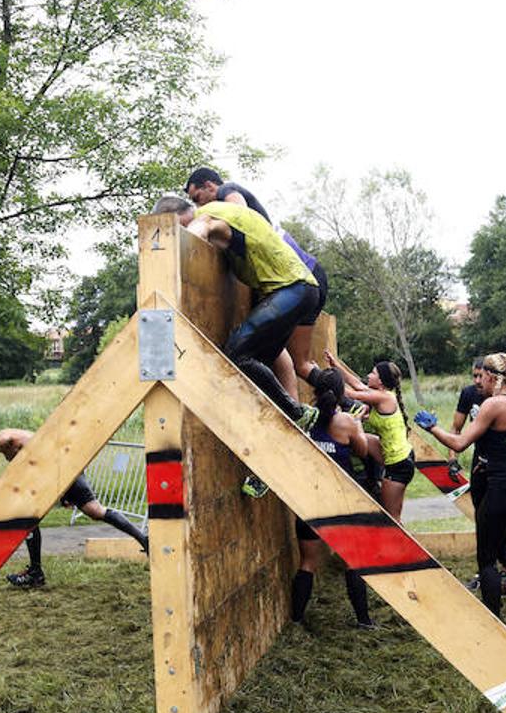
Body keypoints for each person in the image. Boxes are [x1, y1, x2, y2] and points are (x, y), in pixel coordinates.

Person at [152, 196, 318, 434]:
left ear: (178, 217)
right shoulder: (227, 213)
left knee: (237, 354)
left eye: (174, 226)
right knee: (256, 367)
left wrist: (174, 249)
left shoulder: (206, 216)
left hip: (292, 289)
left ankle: (296, 413)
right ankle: (282, 426)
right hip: (301, 290)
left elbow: (199, 231)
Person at [414, 353, 506, 621]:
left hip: (502, 488)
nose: (479, 381)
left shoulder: (495, 404)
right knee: (502, 549)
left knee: (486, 558)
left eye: (482, 376)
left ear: (492, 376)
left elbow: (459, 443)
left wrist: (432, 428)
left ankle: (493, 621)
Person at [185, 168, 328, 400]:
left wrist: (185, 247)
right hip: (307, 282)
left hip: (295, 283)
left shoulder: (223, 198)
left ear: (210, 187)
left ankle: (294, 410)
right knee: (281, 361)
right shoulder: (238, 230)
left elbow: (213, 221)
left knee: (238, 353)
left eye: (196, 198)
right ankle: (335, 402)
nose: (196, 204)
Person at [0, 424, 149, 588]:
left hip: (63, 467)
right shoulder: (4, 444)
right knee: (94, 511)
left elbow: (20, 440)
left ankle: (35, 573)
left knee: (28, 516)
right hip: (61, 469)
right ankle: (143, 539)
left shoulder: (3, 438)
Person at [291, 368, 376, 629]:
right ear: (341, 393)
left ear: (316, 392)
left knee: (307, 562)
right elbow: (362, 451)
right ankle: (363, 621)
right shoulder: (347, 423)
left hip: (309, 499)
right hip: (340, 500)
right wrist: (357, 423)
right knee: (354, 559)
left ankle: (296, 620)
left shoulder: (305, 417)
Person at [324, 350, 415, 521]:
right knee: (361, 439)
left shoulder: (384, 398)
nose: (368, 374)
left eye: (372, 373)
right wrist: (336, 365)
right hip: (400, 457)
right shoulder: (381, 394)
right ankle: (370, 478)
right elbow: (357, 385)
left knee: (391, 517)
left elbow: (351, 393)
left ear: (380, 381)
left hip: (399, 465)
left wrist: (321, 378)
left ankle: (399, 547)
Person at [450, 358, 485, 467]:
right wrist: (452, 458)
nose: (477, 381)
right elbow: (456, 428)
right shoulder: (468, 393)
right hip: (479, 451)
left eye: (481, 376)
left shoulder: (500, 396)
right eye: (475, 376)